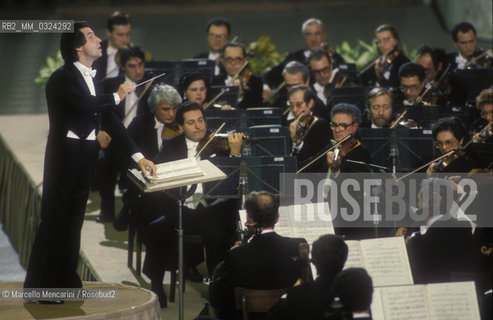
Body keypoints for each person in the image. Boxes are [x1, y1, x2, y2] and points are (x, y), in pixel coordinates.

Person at [23, 22, 156, 298]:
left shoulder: (93, 80)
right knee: (55, 222)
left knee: (74, 222)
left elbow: (112, 123)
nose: (98, 40)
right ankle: (41, 288)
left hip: (85, 156)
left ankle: (66, 283)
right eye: (91, 36)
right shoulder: (62, 78)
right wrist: (116, 96)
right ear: (77, 47)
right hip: (64, 157)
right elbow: (81, 104)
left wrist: (138, 156)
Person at [138, 102, 243, 307]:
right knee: (156, 228)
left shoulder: (220, 144)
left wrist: (235, 154)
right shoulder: (172, 145)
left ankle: (218, 288)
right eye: (191, 123)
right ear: (181, 127)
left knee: (218, 235)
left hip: (213, 209)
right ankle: (157, 285)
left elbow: (233, 183)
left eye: (201, 120)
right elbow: (158, 174)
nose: (198, 127)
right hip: (182, 208)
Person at [210, 191, 307, 320]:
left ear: (248, 218)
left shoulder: (236, 255)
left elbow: (216, 299)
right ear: (277, 217)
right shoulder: (298, 246)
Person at [95, 44, 152, 223]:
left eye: (141, 65)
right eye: (132, 66)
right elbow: (97, 112)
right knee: (104, 163)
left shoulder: (151, 84)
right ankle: (107, 211)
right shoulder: (110, 85)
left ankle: (131, 212)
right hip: (115, 141)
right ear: (122, 67)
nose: (138, 70)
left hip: (140, 143)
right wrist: (99, 130)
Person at [266, 234, 348, 320]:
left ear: (314, 261)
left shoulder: (299, 294)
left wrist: (286, 295)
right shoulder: (357, 290)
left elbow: (271, 317)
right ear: (345, 258)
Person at [263, 18, 344, 94]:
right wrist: (265, 86)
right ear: (304, 37)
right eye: (309, 35)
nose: (313, 39)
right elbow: (269, 76)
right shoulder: (294, 57)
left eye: (317, 34)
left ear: (324, 35)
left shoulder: (335, 57)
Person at [288, 85, 331, 173]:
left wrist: (298, 143)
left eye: (299, 105)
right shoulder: (288, 123)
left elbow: (315, 160)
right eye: (291, 105)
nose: (294, 109)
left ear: (310, 103)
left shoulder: (320, 125)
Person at [213, 42, 264, 108]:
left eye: (238, 59)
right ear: (222, 61)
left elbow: (255, 110)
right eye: (229, 59)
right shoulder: (214, 81)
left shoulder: (256, 82)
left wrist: (239, 97)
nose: (233, 63)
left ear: (245, 61)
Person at [326, 103, 371, 174]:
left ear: (354, 127)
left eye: (343, 125)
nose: (337, 130)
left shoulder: (362, 154)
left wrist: (336, 170)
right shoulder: (330, 147)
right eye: (334, 125)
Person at [366, 24, 410, 92]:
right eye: (379, 42)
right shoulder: (378, 63)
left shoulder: (404, 63)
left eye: (386, 40)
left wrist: (381, 77)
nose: (382, 45)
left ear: (396, 40)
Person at [93, 12, 132, 81]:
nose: (125, 39)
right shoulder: (95, 49)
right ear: (108, 33)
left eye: (128, 34)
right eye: (120, 35)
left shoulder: (134, 54)